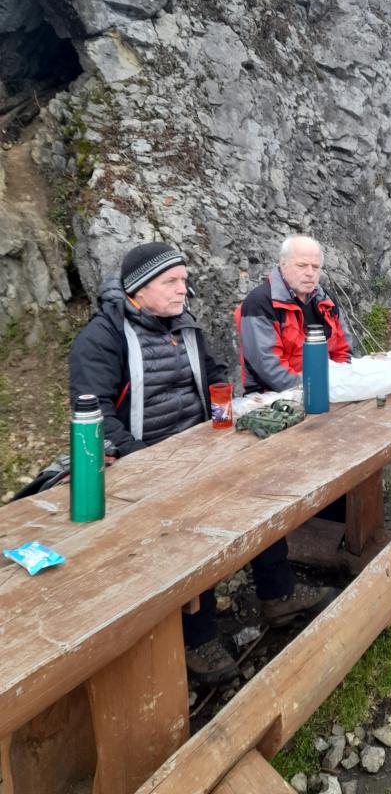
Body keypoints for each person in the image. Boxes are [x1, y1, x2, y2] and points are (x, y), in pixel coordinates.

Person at [68, 241, 330, 685]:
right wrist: (144, 459)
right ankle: (196, 637)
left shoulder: (185, 325)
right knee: (186, 532)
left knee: (261, 491)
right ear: (139, 289)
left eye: (184, 281)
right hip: (140, 461)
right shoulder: (102, 338)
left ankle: (278, 593)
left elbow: (215, 374)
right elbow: (94, 414)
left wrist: (225, 417)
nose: (182, 290)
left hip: (200, 444)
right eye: (171, 282)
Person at [238, 235, 353, 394]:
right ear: (283, 264)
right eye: (301, 265)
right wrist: (313, 389)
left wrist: (342, 382)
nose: (310, 273)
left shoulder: (327, 300)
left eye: (315, 267)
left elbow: (344, 351)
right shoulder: (260, 303)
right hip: (273, 398)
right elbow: (269, 369)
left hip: (328, 389)